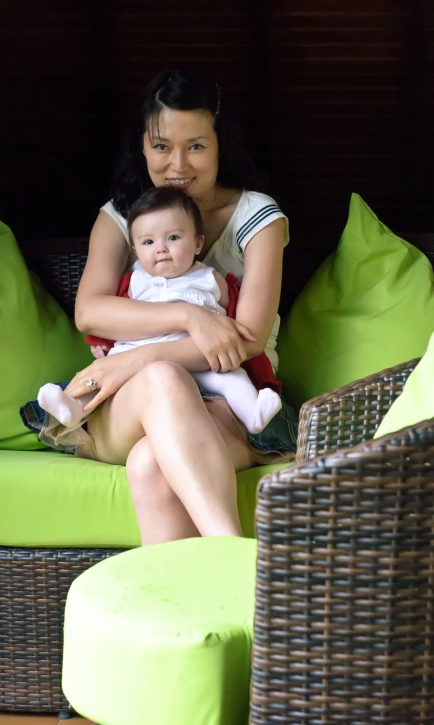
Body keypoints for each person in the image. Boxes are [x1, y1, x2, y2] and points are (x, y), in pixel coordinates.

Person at [37, 68, 298, 546]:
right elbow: (90, 312)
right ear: (142, 146)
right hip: (129, 405)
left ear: (221, 146)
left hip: (228, 403)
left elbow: (246, 338)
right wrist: (188, 315)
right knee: (161, 379)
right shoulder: (122, 216)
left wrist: (137, 357)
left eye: (196, 146)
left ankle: (192, 604)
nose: (178, 164)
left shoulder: (257, 216)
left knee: (150, 463)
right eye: (161, 146)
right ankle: (233, 555)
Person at [37, 186, 282, 434]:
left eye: (173, 238)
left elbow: (234, 317)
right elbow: (116, 316)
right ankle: (73, 407)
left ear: (198, 243)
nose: (161, 248)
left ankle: (253, 413)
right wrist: (101, 340)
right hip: (135, 354)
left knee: (233, 379)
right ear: (136, 251)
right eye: (148, 242)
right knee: (102, 375)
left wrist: (226, 331)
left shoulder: (212, 278)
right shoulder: (132, 281)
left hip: (197, 357)